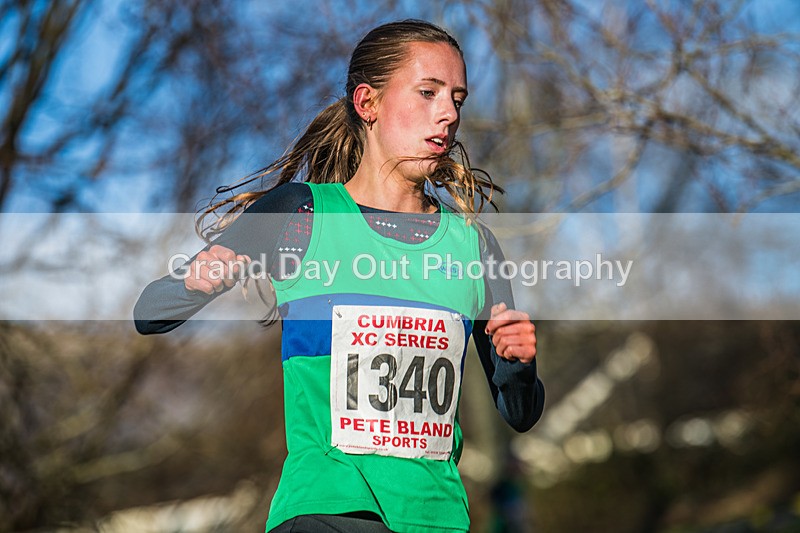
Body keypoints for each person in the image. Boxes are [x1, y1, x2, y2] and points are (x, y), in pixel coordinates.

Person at [134, 19, 544, 533]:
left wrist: (517, 363)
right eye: (428, 92)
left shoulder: (473, 246)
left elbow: (521, 412)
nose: (448, 113)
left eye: (457, 98)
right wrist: (195, 282)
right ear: (367, 103)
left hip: (435, 517)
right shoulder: (301, 215)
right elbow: (148, 313)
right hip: (327, 507)